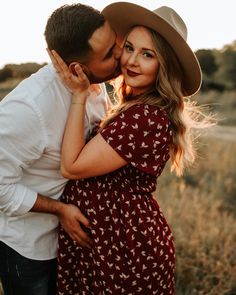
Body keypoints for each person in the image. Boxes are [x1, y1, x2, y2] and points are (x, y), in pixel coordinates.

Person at [48, 2, 213, 294]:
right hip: (109, 241)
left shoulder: (145, 117)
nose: (132, 61)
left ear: (164, 66)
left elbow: (71, 167)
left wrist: (79, 94)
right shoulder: (134, 106)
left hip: (125, 248)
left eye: (147, 55)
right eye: (129, 48)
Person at [0, 3, 121, 295]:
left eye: (115, 44)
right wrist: (59, 209)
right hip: (29, 247)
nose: (120, 56)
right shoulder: (28, 108)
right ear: (76, 68)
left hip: (72, 241)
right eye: (108, 55)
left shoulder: (94, 83)